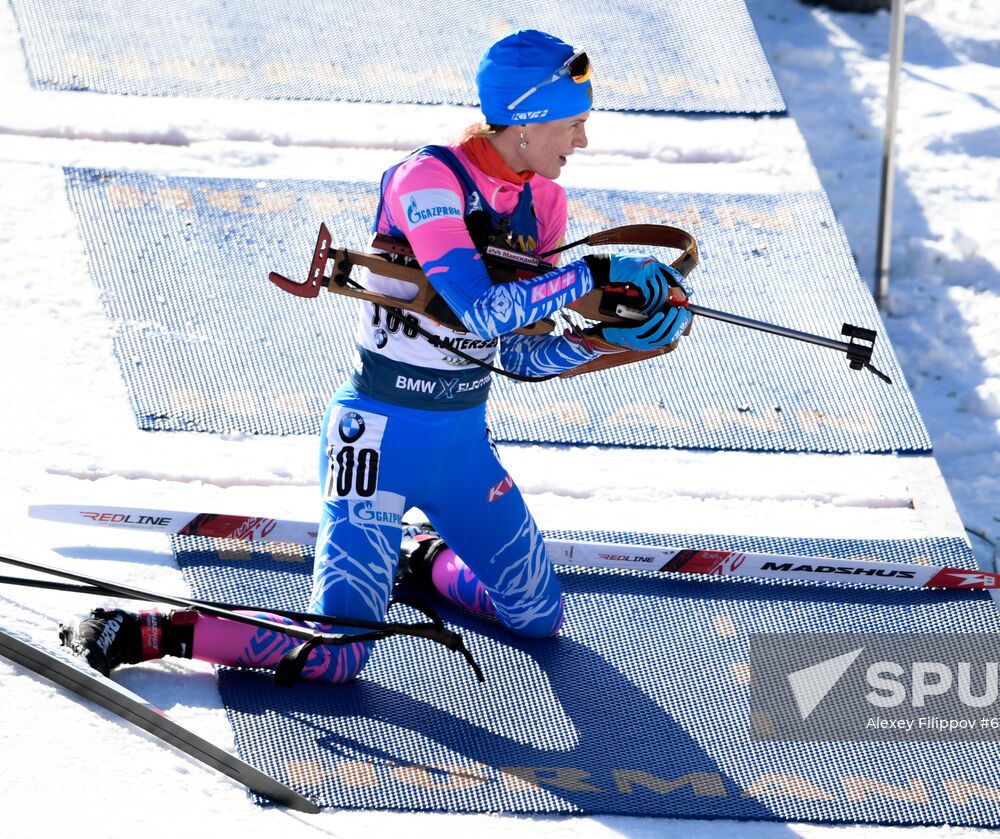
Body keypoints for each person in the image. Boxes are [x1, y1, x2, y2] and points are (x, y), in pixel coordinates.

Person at [61, 30, 692, 681]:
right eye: (574, 124)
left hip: (461, 443)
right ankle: (144, 628)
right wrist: (591, 272)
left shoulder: (545, 202)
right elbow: (477, 307)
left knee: (538, 614)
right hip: (377, 438)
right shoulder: (428, 179)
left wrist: (606, 340)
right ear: (528, 122)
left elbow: (521, 356)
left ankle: (417, 560)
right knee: (337, 655)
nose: (582, 141)